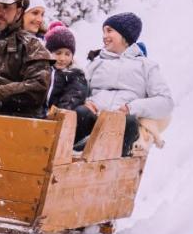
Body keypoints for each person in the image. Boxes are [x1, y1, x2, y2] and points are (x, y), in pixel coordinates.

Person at [74, 12, 173, 156]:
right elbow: (79, 88)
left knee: (128, 122)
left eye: (109, 31)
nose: (104, 36)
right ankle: (76, 151)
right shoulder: (97, 62)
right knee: (81, 113)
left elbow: (166, 102)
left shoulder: (145, 66)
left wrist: (131, 108)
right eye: (103, 31)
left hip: (123, 122)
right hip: (95, 119)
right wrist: (86, 102)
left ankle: (107, 155)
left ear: (124, 35)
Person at [44, 22, 89, 111]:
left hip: (58, 115)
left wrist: (61, 109)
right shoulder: (42, 70)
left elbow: (75, 93)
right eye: (58, 53)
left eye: (67, 54)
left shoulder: (75, 73)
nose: (62, 58)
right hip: (38, 114)